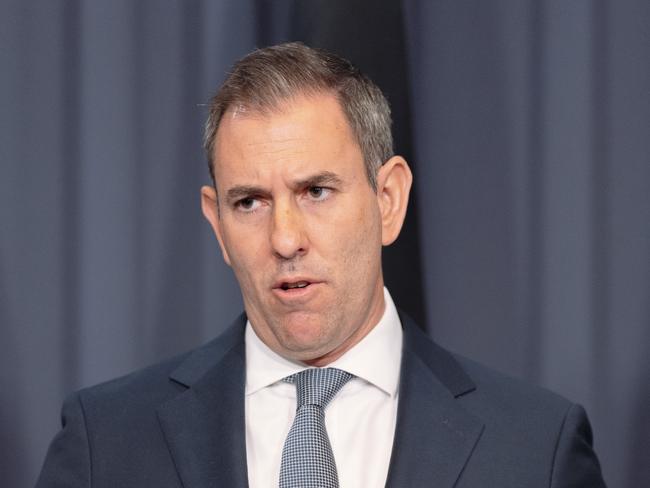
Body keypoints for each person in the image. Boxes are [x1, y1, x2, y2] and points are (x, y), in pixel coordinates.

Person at [36, 42, 606, 488]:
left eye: (316, 191)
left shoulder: (534, 448)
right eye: (249, 202)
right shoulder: (107, 441)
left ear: (388, 201)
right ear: (217, 224)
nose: (285, 239)